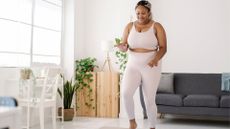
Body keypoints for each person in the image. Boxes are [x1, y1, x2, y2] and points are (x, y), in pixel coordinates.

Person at [115, 0, 167, 129]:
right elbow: (125, 46)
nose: (140, 16)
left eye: (143, 13)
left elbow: (163, 47)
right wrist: (122, 47)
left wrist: (155, 59)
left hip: (151, 65)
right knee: (126, 93)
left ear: (149, 13)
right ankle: (132, 122)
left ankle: (152, 126)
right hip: (133, 64)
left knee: (149, 99)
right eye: (137, 13)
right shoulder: (129, 26)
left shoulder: (157, 26)